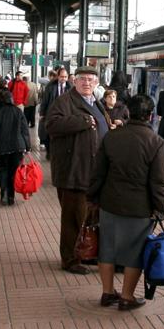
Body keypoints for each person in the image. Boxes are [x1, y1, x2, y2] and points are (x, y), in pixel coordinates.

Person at [88, 94, 164, 310]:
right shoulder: (156, 142)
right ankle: (126, 297)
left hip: (110, 201)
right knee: (134, 253)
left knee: (107, 248)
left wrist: (93, 197)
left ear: (129, 113)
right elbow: (159, 181)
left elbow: (98, 172)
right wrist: (161, 208)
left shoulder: (112, 137)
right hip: (139, 207)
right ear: (150, 115)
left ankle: (107, 293)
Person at [45, 65, 109, 274]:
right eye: (82, 79)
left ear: (97, 83)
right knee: (73, 217)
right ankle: (70, 260)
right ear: (74, 81)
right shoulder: (64, 102)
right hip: (73, 171)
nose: (87, 83)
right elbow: (51, 125)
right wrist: (81, 121)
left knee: (88, 216)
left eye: (91, 79)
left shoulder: (97, 103)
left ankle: (85, 253)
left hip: (93, 171)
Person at [0, 87, 30, 206]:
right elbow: (25, 131)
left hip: (0, 148)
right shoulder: (18, 111)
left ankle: (4, 192)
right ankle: (11, 196)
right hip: (17, 147)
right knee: (14, 171)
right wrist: (27, 146)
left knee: (2, 170)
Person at [38, 66, 68, 151]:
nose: (64, 79)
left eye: (65, 77)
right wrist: (42, 113)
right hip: (52, 113)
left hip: (65, 114)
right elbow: (45, 101)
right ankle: (50, 149)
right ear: (58, 76)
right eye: (62, 77)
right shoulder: (50, 87)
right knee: (50, 131)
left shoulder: (70, 87)